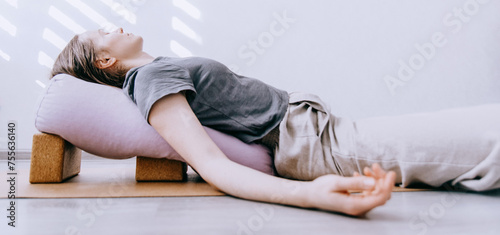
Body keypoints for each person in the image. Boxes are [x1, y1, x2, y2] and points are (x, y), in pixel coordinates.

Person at [51, 28, 500, 215]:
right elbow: (211, 164)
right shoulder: (151, 78)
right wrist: (312, 196)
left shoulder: (157, 69)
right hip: (321, 148)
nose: (117, 26)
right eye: (104, 31)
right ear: (106, 59)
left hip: (328, 134)